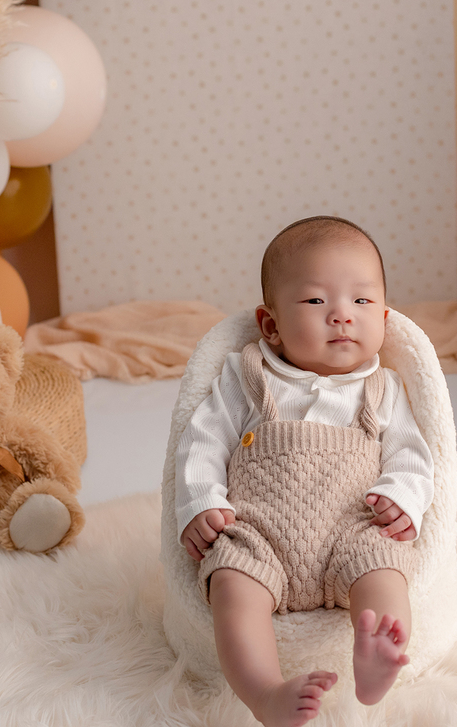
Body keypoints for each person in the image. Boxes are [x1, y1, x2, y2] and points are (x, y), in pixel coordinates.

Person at [174, 216, 434, 727]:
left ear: (383, 316)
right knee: (232, 589)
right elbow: (201, 440)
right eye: (316, 301)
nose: (341, 315)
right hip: (259, 533)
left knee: (385, 574)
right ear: (270, 325)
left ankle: (376, 655)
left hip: (352, 529)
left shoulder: (383, 389)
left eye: (361, 302)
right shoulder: (247, 376)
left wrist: (402, 496)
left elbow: (413, 455)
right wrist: (201, 501)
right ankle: (265, 693)